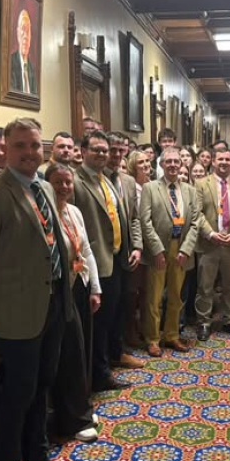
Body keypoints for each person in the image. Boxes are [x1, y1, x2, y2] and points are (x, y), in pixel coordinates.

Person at [0, 118, 76, 461]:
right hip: (16, 315)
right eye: (21, 146)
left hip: (53, 305)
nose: (29, 152)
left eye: (35, 146)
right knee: (17, 397)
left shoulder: (42, 186)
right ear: (5, 149)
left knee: (42, 389)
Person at [73, 132, 141, 393]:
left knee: (114, 317)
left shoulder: (108, 179)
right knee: (99, 324)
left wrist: (132, 247)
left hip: (117, 258)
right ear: (83, 151)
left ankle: (111, 360)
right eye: (97, 150)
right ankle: (99, 377)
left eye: (105, 150)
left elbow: (123, 217)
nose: (102, 154)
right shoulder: (76, 182)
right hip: (95, 263)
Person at [45, 163, 101, 443]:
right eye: (58, 182)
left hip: (80, 285)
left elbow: (87, 249)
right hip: (59, 292)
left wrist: (95, 288)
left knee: (81, 350)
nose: (65, 187)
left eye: (68, 182)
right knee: (68, 353)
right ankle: (72, 419)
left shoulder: (74, 211)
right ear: (47, 184)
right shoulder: (45, 214)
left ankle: (82, 407)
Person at [140, 147, 200, 356]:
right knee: (154, 297)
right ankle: (153, 338)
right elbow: (144, 222)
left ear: (181, 165)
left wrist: (186, 249)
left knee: (176, 295)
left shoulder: (190, 190)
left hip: (181, 248)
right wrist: (156, 249)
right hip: (159, 250)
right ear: (162, 164)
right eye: (169, 162)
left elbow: (195, 223)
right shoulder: (150, 188)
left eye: (176, 161)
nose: (173, 165)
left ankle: (172, 335)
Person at [194, 148, 230, 341]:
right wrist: (210, 234)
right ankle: (203, 322)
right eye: (221, 159)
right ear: (213, 161)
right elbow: (197, 213)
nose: (224, 162)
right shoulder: (201, 184)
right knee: (205, 286)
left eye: (228, 159)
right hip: (209, 243)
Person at [104, 132, 145, 369]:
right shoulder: (94, 179)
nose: (117, 154)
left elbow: (135, 218)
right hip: (104, 254)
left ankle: (118, 350)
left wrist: (138, 246)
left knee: (123, 303)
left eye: (122, 150)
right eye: (113, 149)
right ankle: (107, 356)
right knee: (107, 309)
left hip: (126, 252)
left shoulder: (128, 181)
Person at [124, 150, 153, 347]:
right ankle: (131, 332)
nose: (145, 164)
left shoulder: (152, 185)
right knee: (133, 292)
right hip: (137, 244)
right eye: (140, 162)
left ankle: (146, 327)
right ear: (133, 166)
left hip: (152, 243)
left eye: (147, 161)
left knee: (147, 291)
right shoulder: (130, 186)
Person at [10, 10, 37, 95]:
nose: (25, 36)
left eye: (28, 31)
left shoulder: (32, 68)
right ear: (17, 33)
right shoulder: (11, 63)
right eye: (23, 29)